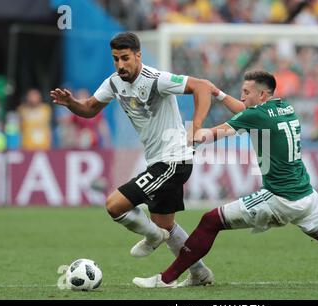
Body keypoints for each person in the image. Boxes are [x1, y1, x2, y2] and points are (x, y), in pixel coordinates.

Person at [132, 70, 318, 288]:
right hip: (305, 195)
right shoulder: (283, 107)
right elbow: (246, 112)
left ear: (261, 94)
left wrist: (185, 138)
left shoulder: (256, 115)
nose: (242, 95)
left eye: (246, 92)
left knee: (210, 221)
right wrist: (220, 94)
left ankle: (166, 280)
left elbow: (210, 134)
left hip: (279, 198)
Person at [50, 32, 221, 287]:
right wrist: (71, 103)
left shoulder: (155, 79)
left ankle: (153, 238)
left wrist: (196, 126)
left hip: (173, 159)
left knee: (115, 205)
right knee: (167, 225)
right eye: (116, 59)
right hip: (160, 161)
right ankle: (199, 273)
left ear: (138, 56)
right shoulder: (114, 83)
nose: (120, 65)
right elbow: (89, 108)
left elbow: (202, 86)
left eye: (125, 58)